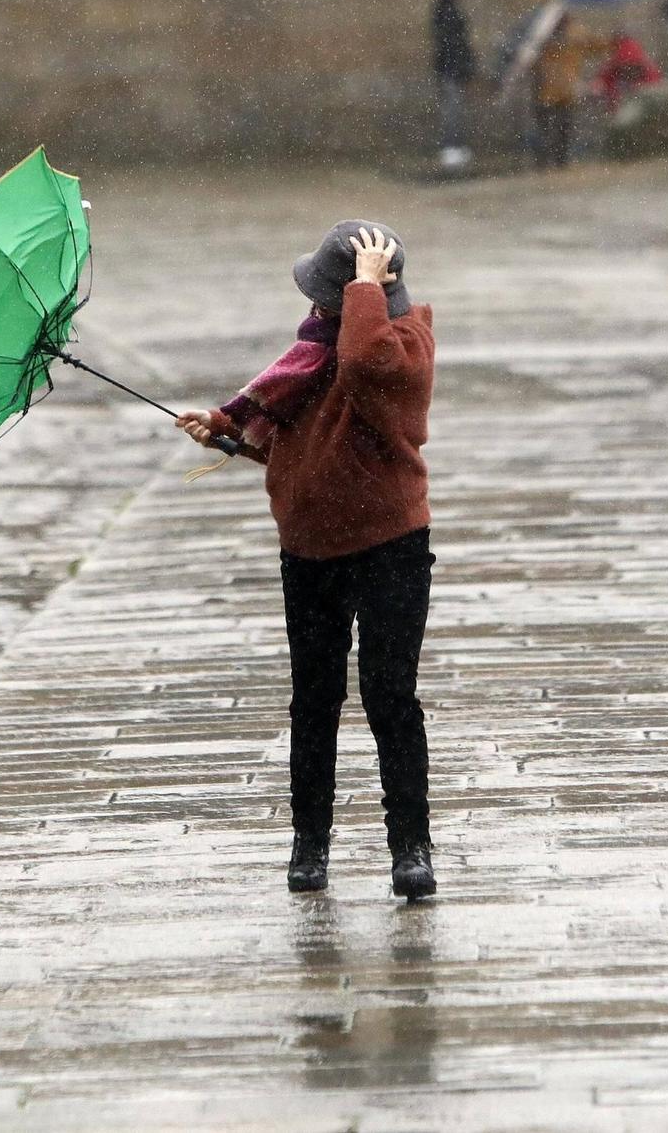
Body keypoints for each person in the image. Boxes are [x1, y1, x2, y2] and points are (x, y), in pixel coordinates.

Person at [176, 223, 439, 902]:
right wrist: (228, 428)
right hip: (311, 551)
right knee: (315, 702)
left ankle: (410, 846)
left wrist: (363, 287)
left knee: (391, 698)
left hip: (391, 547)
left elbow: (362, 362)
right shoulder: (311, 357)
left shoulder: (402, 347)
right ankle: (309, 845)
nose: (318, 311)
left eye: (331, 298)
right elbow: (298, 442)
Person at [526, 12, 612, 169]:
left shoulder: (541, 33)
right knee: (558, 126)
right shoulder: (565, 33)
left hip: (554, 90)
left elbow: (596, 46)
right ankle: (555, 161)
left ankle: (553, 161)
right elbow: (597, 46)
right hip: (554, 89)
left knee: (555, 126)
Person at [429, 0, 477, 171]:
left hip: (452, 68)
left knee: (455, 110)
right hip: (451, 68)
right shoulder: (446, 13)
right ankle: (451, 147)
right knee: (452, 111)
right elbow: (452, 42)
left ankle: (454, 146)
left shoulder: (444, 13)